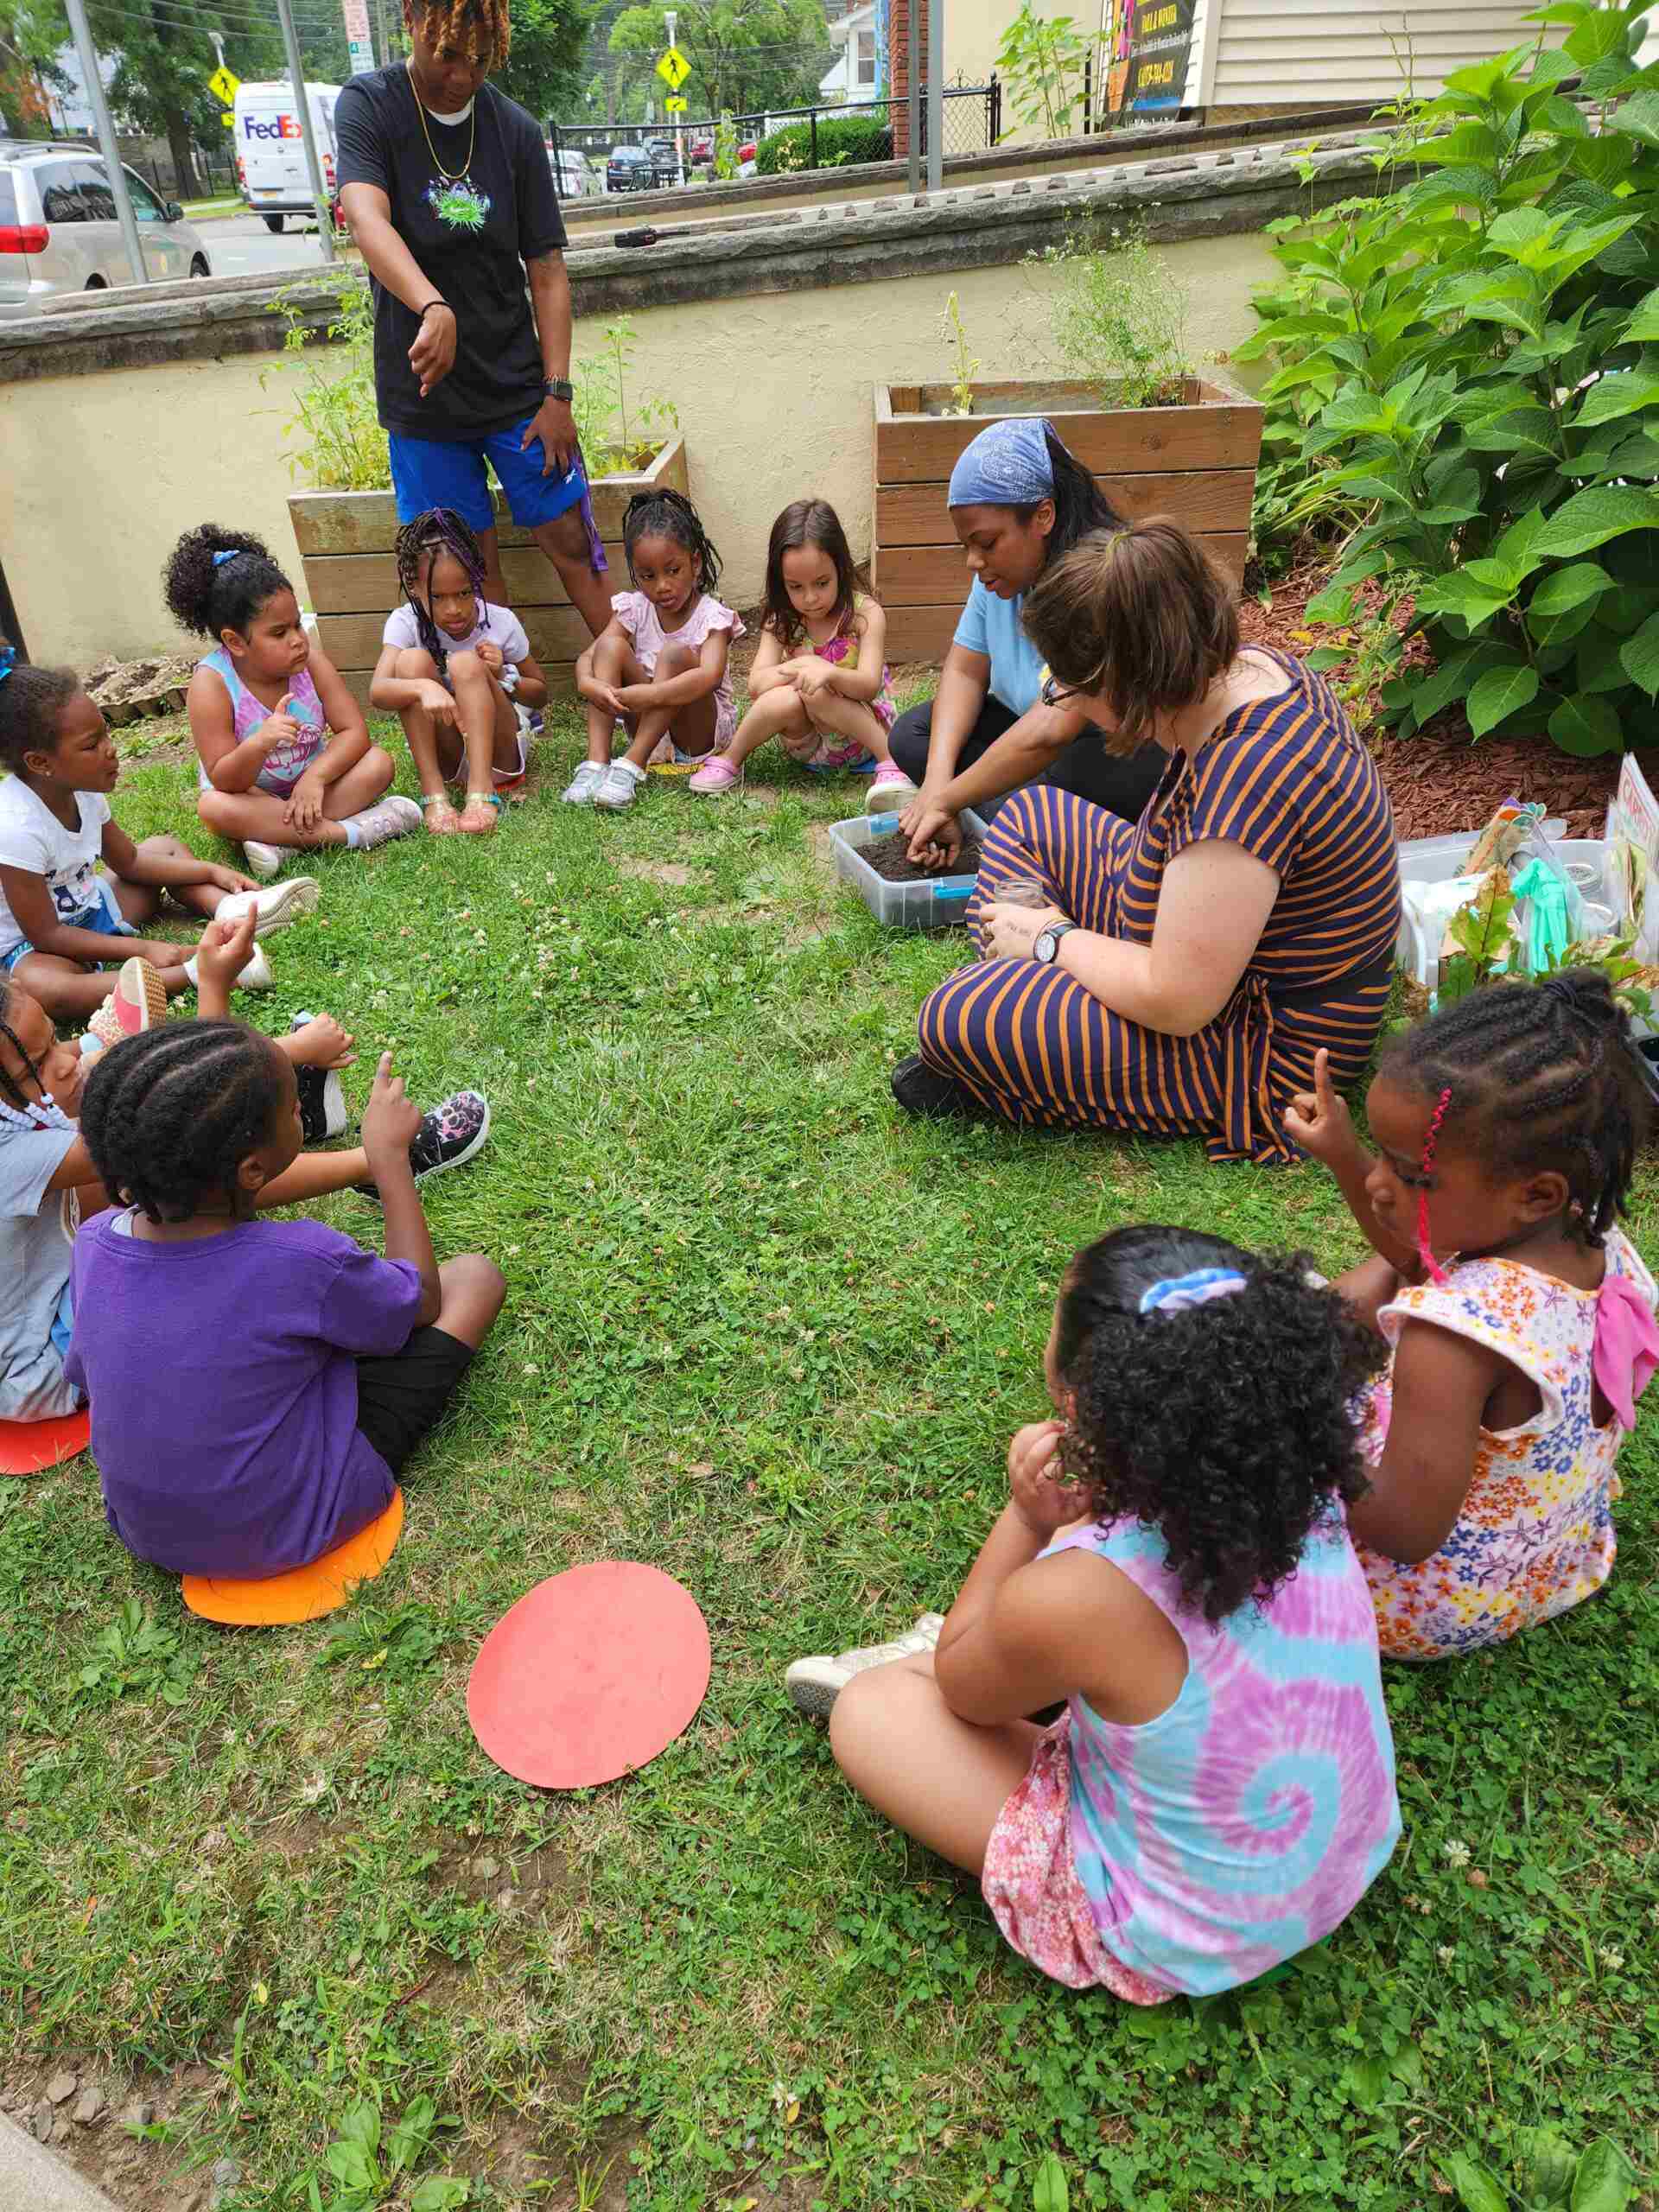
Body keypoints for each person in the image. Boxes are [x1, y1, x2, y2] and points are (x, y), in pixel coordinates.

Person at [794, 1227, 1401, 2000]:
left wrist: (1026, 1518)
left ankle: (1028, 1693)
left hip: (1185, 1930)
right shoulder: (1306, 1474)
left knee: (876, 1710)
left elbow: (963, 1686)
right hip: (1334, 1858)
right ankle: (1057, 1690)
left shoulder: (1081, 1592)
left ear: (1079, 1399)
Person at [894, 521, 1402, 1165]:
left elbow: (1179, 1001)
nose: (1064, 703)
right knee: (1030, 816)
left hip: (1264, 1047)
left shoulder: (1246, 781)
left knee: (954, 1015)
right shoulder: (1255, 672)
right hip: (1212, 958)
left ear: (1124, 683)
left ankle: (1016, 1041)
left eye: (1070, 688)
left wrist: (1052, 939)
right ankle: (1042, 1018)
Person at [1285, 975, 1659, 1662]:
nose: (1378, 1184)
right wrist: (1345, 1155)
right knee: (1387, 1273)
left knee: (1279, 1396)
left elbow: (1400, 1530)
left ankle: (1285, 1353)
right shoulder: (1597, 1242)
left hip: (1418, 1604)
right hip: (1548, 1562)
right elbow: (1421, 1257)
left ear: (1534, 1194)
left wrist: (1298, 1419)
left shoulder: (1448, 1338)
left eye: (1411, 1176)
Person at [67, 1026, 506, 1581]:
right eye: (296, 1110)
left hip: (145, 1532)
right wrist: (388, 1157)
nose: (301, 1111)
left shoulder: (95, 1240)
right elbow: (419, 1303)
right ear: (251, 1170)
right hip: (289, 1524)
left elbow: (94, 1373)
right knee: (475, 1278)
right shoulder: (299, 1260)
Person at [0, 913, 361, 1427]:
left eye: (59, 1041)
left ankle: (106, 1048)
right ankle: (378, 1161)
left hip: (49, 1266)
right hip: (45, 1362)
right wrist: (222, 992)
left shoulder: (14, 1117)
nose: (60, 1063)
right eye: (33, 1065)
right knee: (187, 1179)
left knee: (150, 1164)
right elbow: (184, 1118)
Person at [334, 0, 613, 639]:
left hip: (517, 390)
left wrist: (557, 391)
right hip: (425, 397)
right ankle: (513, 705)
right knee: (465, 563)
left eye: (481, 59)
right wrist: (432, 304)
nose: (462, 75)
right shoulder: (370, 106)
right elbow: (365, 217)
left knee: (570, 535)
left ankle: (639, 681)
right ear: (411, 19)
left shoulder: (513, 130)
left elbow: (545, 267)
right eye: (448, 55)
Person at [889, 418, 1166, 861]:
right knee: (912, 735)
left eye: (987, 543)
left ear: (1043, 515)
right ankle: (1021, 817)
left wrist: (944, 801)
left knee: (1069, 767)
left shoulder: (1097, 579)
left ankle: (1019, 818)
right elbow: (963, 671)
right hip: (1035, 734)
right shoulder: (996, 578)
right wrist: (939, 781)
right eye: (966, 545)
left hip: (1106, 747)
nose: (973, 561)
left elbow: (1053, 729)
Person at [0, 647, 324, 1023]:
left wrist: (210, 871)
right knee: (46, 989)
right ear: (40, 763)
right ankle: (195, 973)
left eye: (106, 733)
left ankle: (230, 910)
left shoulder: (83, 793)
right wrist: (147, 948)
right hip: (37, 949)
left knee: (163, 849)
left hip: (92, 911)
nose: (111, 750)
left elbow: (130, 862)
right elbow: (48, 935)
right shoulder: (15, 828)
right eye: (91, 746)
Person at [166, 525, 420, 881]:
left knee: (378, 762)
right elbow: (224, 778)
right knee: (213, 807)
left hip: (316, 791)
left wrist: (315, 778)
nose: (298, 641)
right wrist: (260, 743)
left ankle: (281, 842)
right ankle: (354, 832)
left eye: (297, 626)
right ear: (235, 642)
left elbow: (354, 732)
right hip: (252, 798)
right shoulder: (212, 683)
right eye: (279, 633)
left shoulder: (311, 663)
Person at [688, 499, 908, 806]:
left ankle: (891, 762)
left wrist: (828, 671)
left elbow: (869, 684)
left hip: (863, 739)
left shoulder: (864, 614)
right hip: (808, 745)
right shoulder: (781, 620)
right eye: (795, 587)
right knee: (787, 696)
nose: (810, 598)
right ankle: (730, 760)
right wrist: (803, 667)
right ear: (781, 581)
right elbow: (756, 686)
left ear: (841, 568)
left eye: (821, 583)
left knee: (817, 692)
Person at [371, 506, 549, 835]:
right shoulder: (405, 622)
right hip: (448, 756)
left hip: (499, 756)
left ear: (477, 580)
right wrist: (424, 688)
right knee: (409, 663)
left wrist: (504, 677)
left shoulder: (500, 621)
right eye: (438, 597)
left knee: (466, 662)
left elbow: (540, 692)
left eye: (465, 593)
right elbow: (378, 690)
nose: (454, 609)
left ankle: (481, 793)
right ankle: (434, 794)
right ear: (414, 587)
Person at [568, 490, 745, 811]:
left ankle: (632, 766)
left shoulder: (711, 615)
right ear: (636, 575)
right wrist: (587, 683)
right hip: (652, 729)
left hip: (697, 732)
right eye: (648, 576)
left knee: (674, 654)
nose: (662, 586)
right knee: (609, 645)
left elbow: (710, 676)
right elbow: (588, 657)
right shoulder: (635, 608)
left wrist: (651, 695)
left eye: (673, 570)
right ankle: (597, 766)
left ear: (695, 563)